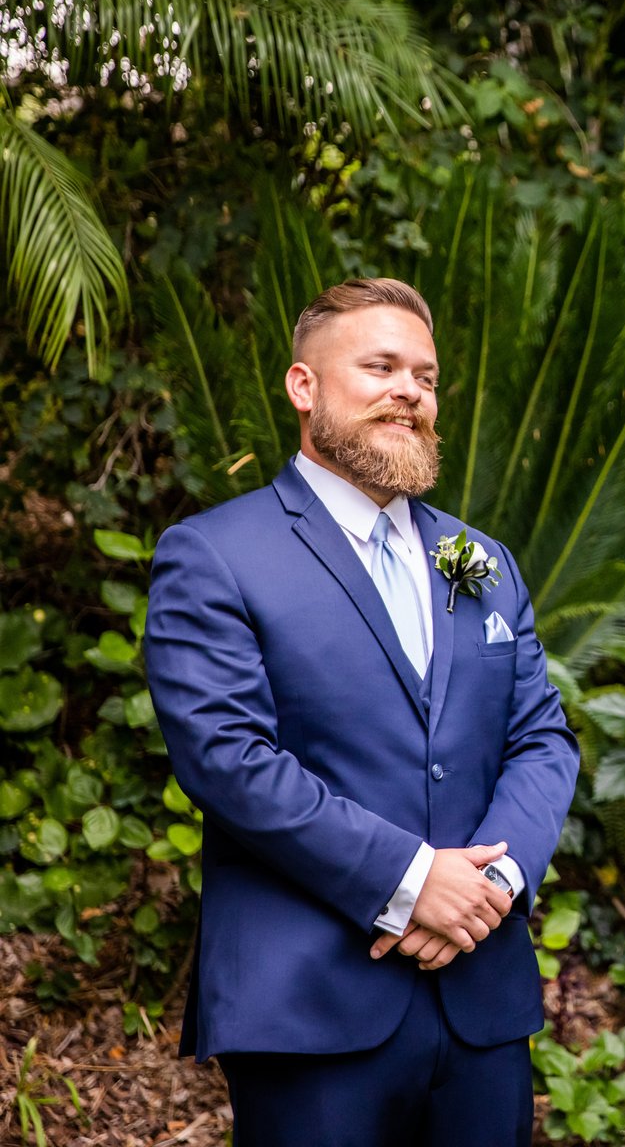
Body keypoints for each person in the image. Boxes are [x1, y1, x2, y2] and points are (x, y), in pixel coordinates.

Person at [144, 278, 579, 1146]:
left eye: (425, 377)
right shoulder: (216, 555)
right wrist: (413, 882)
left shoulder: (481, 560)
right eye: (380, 367)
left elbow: (542, 738)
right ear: (303, 386)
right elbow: (227, 758)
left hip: (480, 999)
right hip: (310, 1004)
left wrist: (488, 892)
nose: (409, 391)